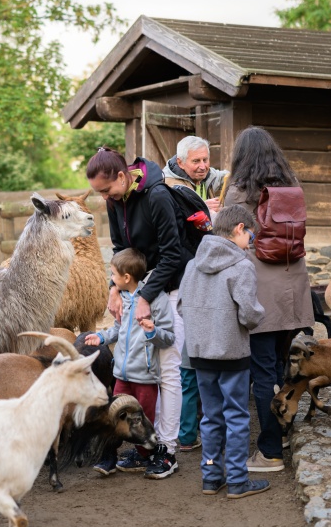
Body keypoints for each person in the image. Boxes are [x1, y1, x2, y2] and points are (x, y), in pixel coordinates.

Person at [87, 146, 185, 478]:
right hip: (136, 290)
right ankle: (145, 447)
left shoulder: (157, 196)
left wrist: (145, 295)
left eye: (105, 190)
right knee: (140, 372)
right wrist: (115, 290)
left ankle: (167, 450)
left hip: (167, 289)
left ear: (121, 176)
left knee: (168, 371)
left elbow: (173, 253)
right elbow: (120, 248)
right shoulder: (116, 201)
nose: (103, 197)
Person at [225, 127, 314, 473]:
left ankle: (270, 451)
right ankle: (285, 432)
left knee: (262, 371)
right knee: (283, 365)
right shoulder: (291, 187)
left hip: (260, 288)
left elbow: (228, 238)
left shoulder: (239, 193)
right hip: (293, 287)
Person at [178, 204, 269, 498]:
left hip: (200, 352)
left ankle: (211, 475)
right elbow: (249, 315)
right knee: (237, 417)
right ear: (239, 229)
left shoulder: (193, 264)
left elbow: (181, 306)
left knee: (211, 417)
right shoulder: (242, 266)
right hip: (231, 352)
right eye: (250, 237)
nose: (250, 243)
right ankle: (239, 480)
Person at [163, 135, 229, 452]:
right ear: (181, 162)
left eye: (206, 160)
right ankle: (188, 432)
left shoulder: (208, 179)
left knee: (194, 362)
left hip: (203, 272)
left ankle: (191, 429)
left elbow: (226, 178)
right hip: (184, 278)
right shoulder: (173, 186)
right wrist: (206, 211)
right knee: (188, 362)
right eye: (196, 162)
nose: (203, 166)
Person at [85, 248, 176, 477]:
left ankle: (144, 455)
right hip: (121, 374)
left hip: (144, 375)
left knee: (143, 416)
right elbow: (118, 329)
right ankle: (109, 456)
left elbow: (168, 337)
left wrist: (152, 331)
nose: (111, 280)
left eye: (113, 274)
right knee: (113, 415)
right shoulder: (123, 298)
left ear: (127, 278)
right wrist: (102, 337)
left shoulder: (157, 300)